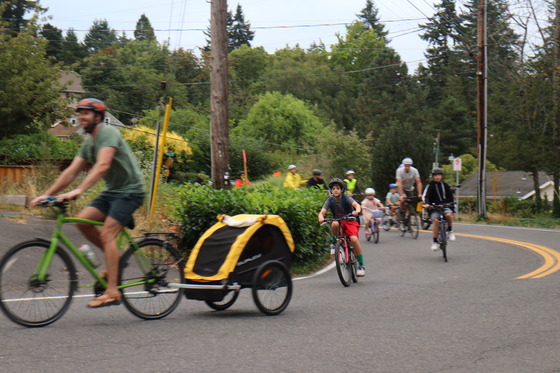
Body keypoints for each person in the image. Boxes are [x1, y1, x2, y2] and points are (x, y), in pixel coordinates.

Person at [30, 98, 145, 308]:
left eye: (86, 113)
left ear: (98, 117)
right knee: (82, 221)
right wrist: (47, 195)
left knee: (107, 233)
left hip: (131, 191)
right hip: (112, 192)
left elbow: (102, 165)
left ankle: (112, 292)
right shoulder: (88, 142)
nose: (81, 117)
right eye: (80, 113)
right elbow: (71, 171)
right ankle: (116, 259)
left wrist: (79, 190)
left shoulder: (108, 133)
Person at [318, 178, 365, 276]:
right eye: (333, 188)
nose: (335, 190)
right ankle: (335, 243)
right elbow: (322, 212)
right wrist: (321, 218)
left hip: (350, 220)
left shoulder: (346, 198)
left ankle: (361, 265)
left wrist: (357, 210)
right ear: (331, 190)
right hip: (338, 221)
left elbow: (356, 205)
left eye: (338, 188)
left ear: (342, 190)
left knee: (353, 239)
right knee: (334, 223)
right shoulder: (329, 201)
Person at [422, 168, 456, 251]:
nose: (437, 177)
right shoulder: (430, 185)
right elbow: (426, 196)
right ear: (433, 177)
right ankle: (434, 241)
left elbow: (450, 198)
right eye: (435, 175)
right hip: (434, 208)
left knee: (448, 215)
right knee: (436, 221)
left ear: (442, 176)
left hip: (445, 206)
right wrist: (427, 204)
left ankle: (450, 231)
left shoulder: (445, 185)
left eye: (439, 175)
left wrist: (453, 210)